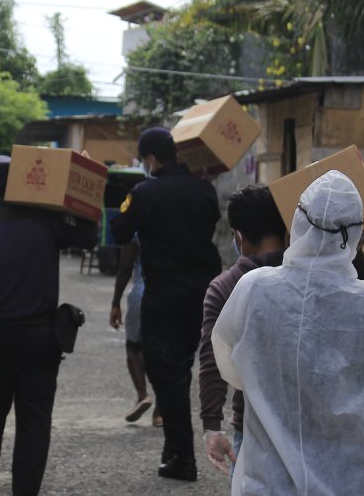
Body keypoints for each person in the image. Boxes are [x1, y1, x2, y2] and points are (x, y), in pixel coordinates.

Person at [212, 170, 364, 494]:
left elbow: (230, 366)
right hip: (359, 481)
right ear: (354, 236)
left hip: (269, 482)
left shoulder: (253, 289)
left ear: (296, 222)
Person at [0, 155, 98, 496]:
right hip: (42, 342)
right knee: (34, 424)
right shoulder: (48, 224)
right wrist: (80, 185)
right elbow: (88, 235)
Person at [111, 127, 222, 482]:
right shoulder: (204, 189)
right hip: (202, 296)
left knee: (165, 372)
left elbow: (119, 233)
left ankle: (183, 457)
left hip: (164, 296)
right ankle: (173, 450)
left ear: (149, 159)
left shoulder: (144, 192)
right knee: (181, 368)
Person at [198, 184, 287, 474]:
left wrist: (212, 427)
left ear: (238, 236)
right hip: (313, 424)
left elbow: (212, 360)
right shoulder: (313, 276)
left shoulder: (225, 287)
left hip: (252, 425)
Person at [108, 238, 161, 426]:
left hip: (141, 293)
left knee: (133, 346)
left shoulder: (137, 225)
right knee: (162, 351)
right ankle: (160, 412)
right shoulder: (177, 219)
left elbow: (125, 266)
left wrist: (115, 303)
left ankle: (142, 395)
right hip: (169, 294)